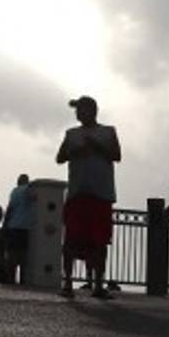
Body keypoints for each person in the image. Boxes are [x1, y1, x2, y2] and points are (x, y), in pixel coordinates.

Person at [55, 95, 121, 300]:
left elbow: (117, 155)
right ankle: (67, 283)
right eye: (76, 110)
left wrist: (96, 146)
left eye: (80, 110)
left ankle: (98, 285)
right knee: (71, 240)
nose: (77, 114)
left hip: (101, 194)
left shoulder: (108, 131)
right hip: (77, 193)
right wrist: (75, 150)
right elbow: (59, 158)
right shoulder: (71, 133)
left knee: (100, 241)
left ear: (92, 110)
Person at [2, 174, 35, 284]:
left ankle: (10, 278)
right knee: (23, 254)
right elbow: (36, 199)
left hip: (13, 225)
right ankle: (23, 279)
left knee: (12, 254)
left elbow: (9, 209)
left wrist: (5, 224)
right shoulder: (28, 189)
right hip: (24, 226)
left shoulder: (14, 191)